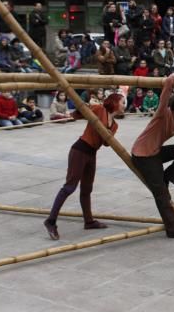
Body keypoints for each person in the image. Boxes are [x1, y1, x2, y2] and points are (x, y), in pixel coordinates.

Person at [43, 93, 126, 240]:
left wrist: (106, 133)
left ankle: (89, 221)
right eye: (122, 102)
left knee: (87, 188)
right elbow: (80, 112)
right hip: (80, 150)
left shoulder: (115, 125)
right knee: (69, 187)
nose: (124, 105)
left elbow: (106, 143)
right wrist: (77, 113)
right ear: (114, 103)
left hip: (91, 154)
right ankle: (50, 221)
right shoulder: (99, 109)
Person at [130, 72, 174, 239]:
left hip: (156, 152)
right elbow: (165, 96)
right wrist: (170, 80)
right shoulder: (163, 113)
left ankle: (166, 178)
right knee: (161, 194)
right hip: (143, 155)